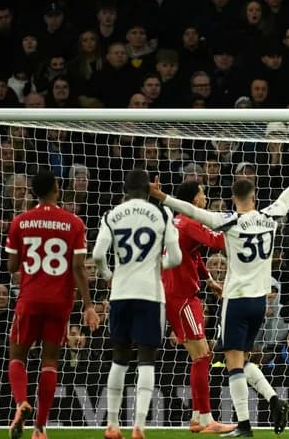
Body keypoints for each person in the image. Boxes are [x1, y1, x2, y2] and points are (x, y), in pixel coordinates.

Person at [148, 125, 289, 437]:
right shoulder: (271, 216)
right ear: (255, 196)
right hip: (261, 302)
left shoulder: (230, 222)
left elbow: (192, 214)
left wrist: (164, 198)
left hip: (236, 300)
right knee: (243, 359)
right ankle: (273, 398)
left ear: (232, 198)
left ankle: (243, 425)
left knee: (233, 364)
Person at [5, 170, 99, 439]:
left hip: (30, 299)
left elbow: (12, 265)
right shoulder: (74, 223)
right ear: (57, 189)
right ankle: (40, 428)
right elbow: (79, 268)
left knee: (17, 356)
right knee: (50, 361)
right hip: (59, 301)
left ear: (33, 192)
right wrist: (89, 305)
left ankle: (21, 401)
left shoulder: (20, 222)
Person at [95, 169, 183, 439]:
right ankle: (139, 427)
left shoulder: (111, 215)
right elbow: (176, 258)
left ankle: (111, 425)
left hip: (121, 293)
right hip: (150, 294)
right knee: (146, 360)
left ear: (125, 189)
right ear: (148, 189)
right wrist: (159, 266)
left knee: (119, 359)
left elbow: (98, 254)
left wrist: (109, 275)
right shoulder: (163, 214)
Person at [160, 180, 234, 434]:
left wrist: (209, 279)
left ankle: (196, 417)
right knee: (202, 356)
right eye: (202, 194)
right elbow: (216, 243)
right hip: (182, 297)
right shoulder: (190, 222)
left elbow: (194, 254)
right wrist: (238, 225)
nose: (205, 197)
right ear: (194, 200)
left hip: (177, 293)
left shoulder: (178, 222)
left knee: (199, 356)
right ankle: (206, 419)